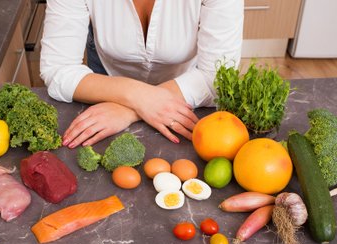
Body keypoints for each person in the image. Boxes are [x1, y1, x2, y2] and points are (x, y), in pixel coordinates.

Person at [40, 0, 244, 148]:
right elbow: (58, 68)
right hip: (107, 84)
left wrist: (128, 111)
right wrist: (136, 96)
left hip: (187, 90)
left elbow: (218, 77)